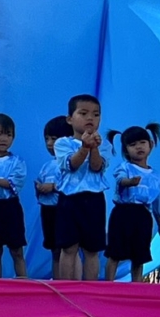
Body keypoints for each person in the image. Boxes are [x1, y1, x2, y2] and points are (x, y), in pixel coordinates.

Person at [55, 93, 112, 281]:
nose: (90, 118)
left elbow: (96, 167)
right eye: (83, 113)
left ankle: (90, 289)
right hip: (69, 200)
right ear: (70, 119)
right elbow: (72, 165)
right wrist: (84, 147)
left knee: (92, 249)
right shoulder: (62, 143)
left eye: (96, 114)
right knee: (68, 247)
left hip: (94, 199)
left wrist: (93, 147)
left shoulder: (103, 144)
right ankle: (66, 288)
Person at [105, 123, 160, 282]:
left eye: (142, 142)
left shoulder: (155, 176)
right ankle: (108, 284)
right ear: (126, 150)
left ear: (151, 144)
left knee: (139, 255)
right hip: (123, 213)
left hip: (143, 216)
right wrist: (129, 182)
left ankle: (137, 285)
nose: (139, 147)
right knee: (115, 252)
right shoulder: (125, 167)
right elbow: (120, 181)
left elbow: (158, 202)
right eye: (133, 144)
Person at [0, 113, 28, 279]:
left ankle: (24, 283)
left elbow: (16, 182)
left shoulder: (17, 161)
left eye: (8, 135)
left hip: (11, 208)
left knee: (17, 250)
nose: (4, 139)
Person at [35, 115, 72, 279]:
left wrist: (53, 187)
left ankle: (69, 282)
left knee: (68, 248)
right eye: (47, 139)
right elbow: (39, 183)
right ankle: (57, 281)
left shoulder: (70, 163)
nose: (49, 143)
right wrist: (39, 188)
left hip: (64, 210)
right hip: (48, 210)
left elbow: (72, 184)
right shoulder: (46, 166)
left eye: (54, 139)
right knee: (54, 249)